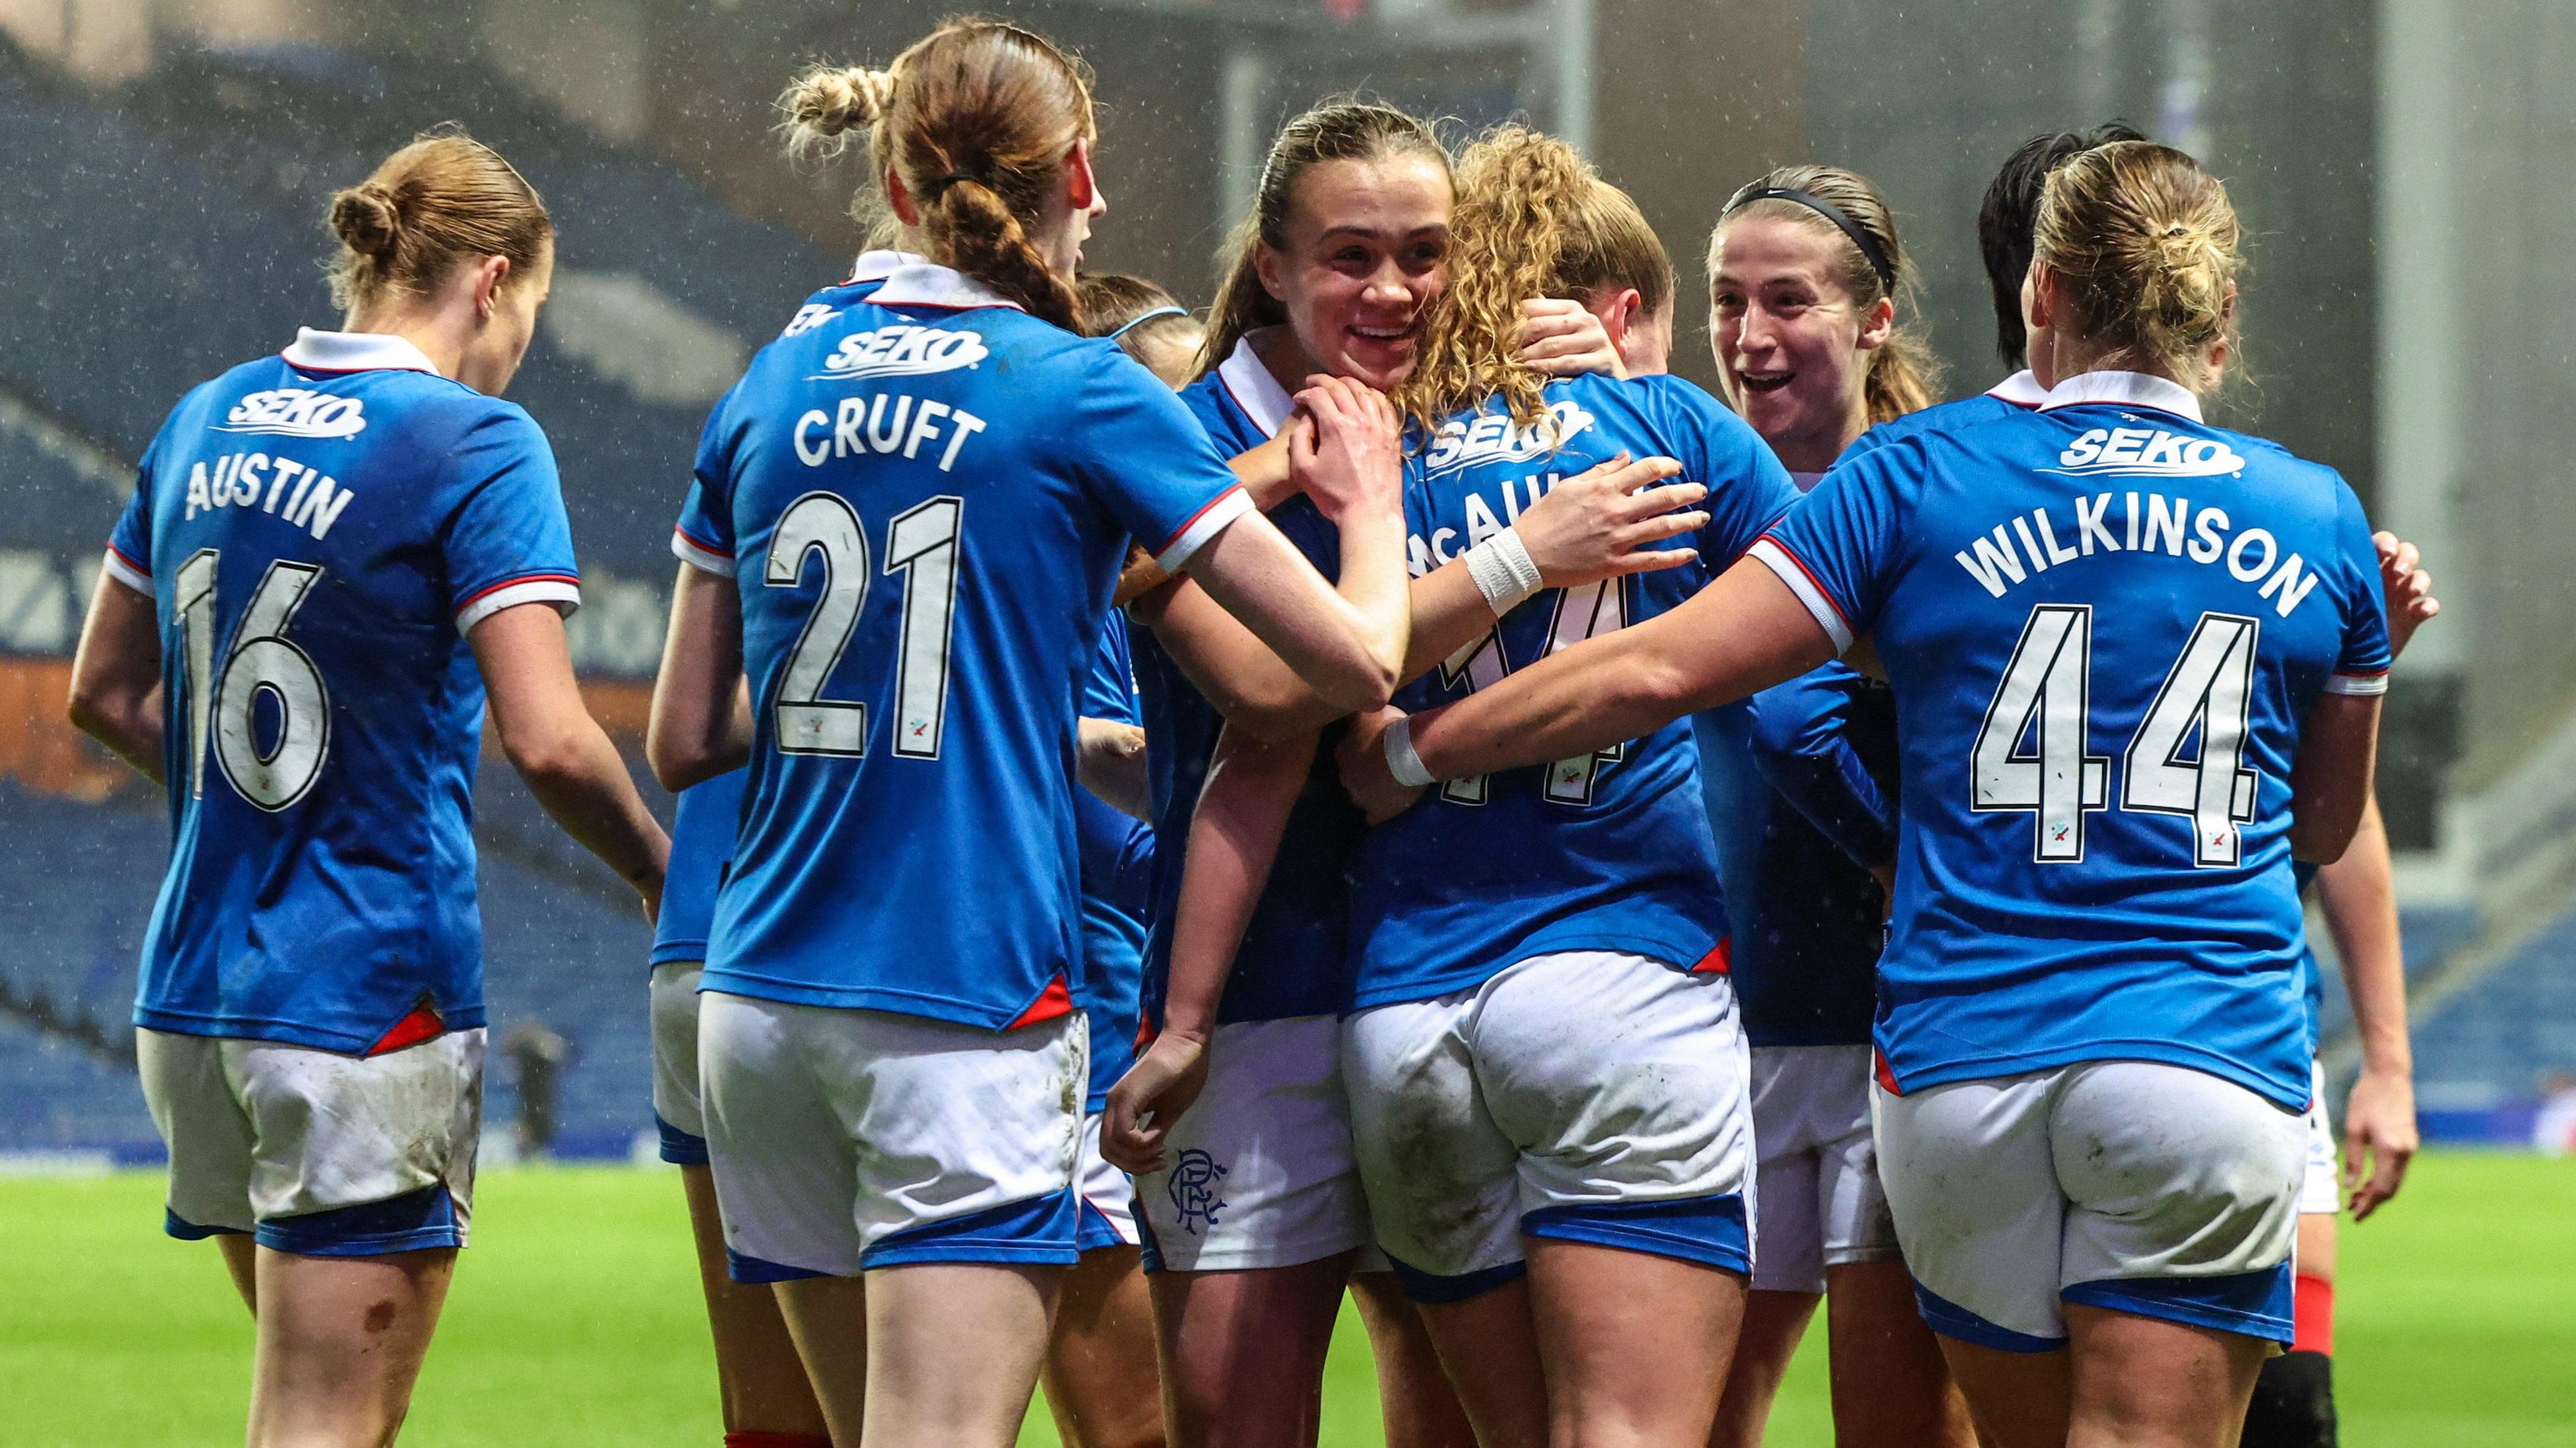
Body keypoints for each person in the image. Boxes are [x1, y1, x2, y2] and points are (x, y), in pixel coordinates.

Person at [1341, 140, 2392, 1448]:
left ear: (2041, 293)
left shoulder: (1915, 478)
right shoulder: (2321, 517)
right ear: (2219, 315)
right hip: (2201, 1045)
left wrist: (1412, 750)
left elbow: (1662, 663)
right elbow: (2324, 830)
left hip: (1961, 1058)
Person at [643, 23, 1418, 1448]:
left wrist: (889, 683)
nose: (1106, 206)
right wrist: (1368, 504)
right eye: (1095, 176)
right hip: (956, 1000)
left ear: (894, 181)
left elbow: (685, 733)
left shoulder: (771, 377)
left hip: (755, 1008)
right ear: (1071, 172)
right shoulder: (1078, 388)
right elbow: (1354, 657)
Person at [1098, 100, 1697, 1448]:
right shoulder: (1175, 436)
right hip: (1256, 996)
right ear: (1271, 263)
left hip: (1439, 985)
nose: (1392, 289)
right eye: (1350, 255)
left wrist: (1601, 377)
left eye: (1425, 255)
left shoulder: (1458, 409)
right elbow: (1272, 700)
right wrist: (1511, 553)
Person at [65, 130, 670, 1448]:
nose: (525, 351)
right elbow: (555, 740)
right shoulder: (478, 443)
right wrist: (658, 872)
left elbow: (102, 695)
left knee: (296, 1409)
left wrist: (259, 795)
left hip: (195, 995)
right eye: (534, 318)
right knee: (327, 1426)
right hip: (360, 998)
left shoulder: (202, 415)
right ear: (493, 281)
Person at [1693, 166, 1972, 1448]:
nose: (1751, 337)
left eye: (1788, 300)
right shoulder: (1668, 487)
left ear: (1874, 317)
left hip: (1891, 1036)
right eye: (1727, 301)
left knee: (1907, 1423)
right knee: (1686, 1419)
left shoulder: (1950, 503)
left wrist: (1901, 862)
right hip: (1708, 1030)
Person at [640, 762, 835, 1448]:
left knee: (770, 1411)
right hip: (866, 936)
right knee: (912, 1403)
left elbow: (681, 740)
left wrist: (651, 872)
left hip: (702, 926)